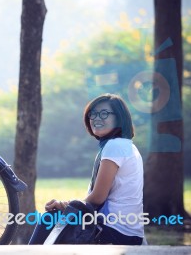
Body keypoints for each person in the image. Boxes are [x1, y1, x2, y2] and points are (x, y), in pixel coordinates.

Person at [29, 93, 144, 245]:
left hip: (115, 231)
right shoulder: (127, 145)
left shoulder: (114, 146)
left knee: (50, 218)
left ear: (119, 118)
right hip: (127, 231)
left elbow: (97, 198)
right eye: (93, 114)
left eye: (104, 114)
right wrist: (67, 205)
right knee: (56, 218)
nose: (96, 118)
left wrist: (65, 205)